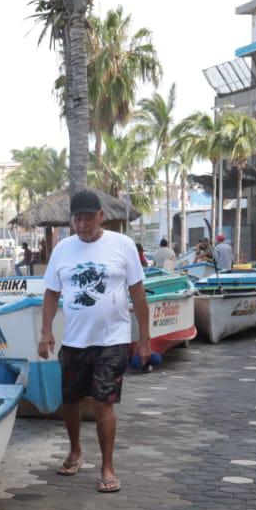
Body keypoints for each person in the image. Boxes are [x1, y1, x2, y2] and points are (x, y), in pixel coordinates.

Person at [39, 190, 152, 493]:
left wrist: (144, 339)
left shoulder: (122, 245)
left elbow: (138, 294)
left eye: (88, 217)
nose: (82, 223)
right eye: (77, 218)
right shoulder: (62, 250)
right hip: (75, 340)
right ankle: (75, 450)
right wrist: (46, 331)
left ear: (101, 216)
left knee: (104, 402)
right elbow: (51, 293)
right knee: (70, 400)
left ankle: (108, 466)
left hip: (112, 339)